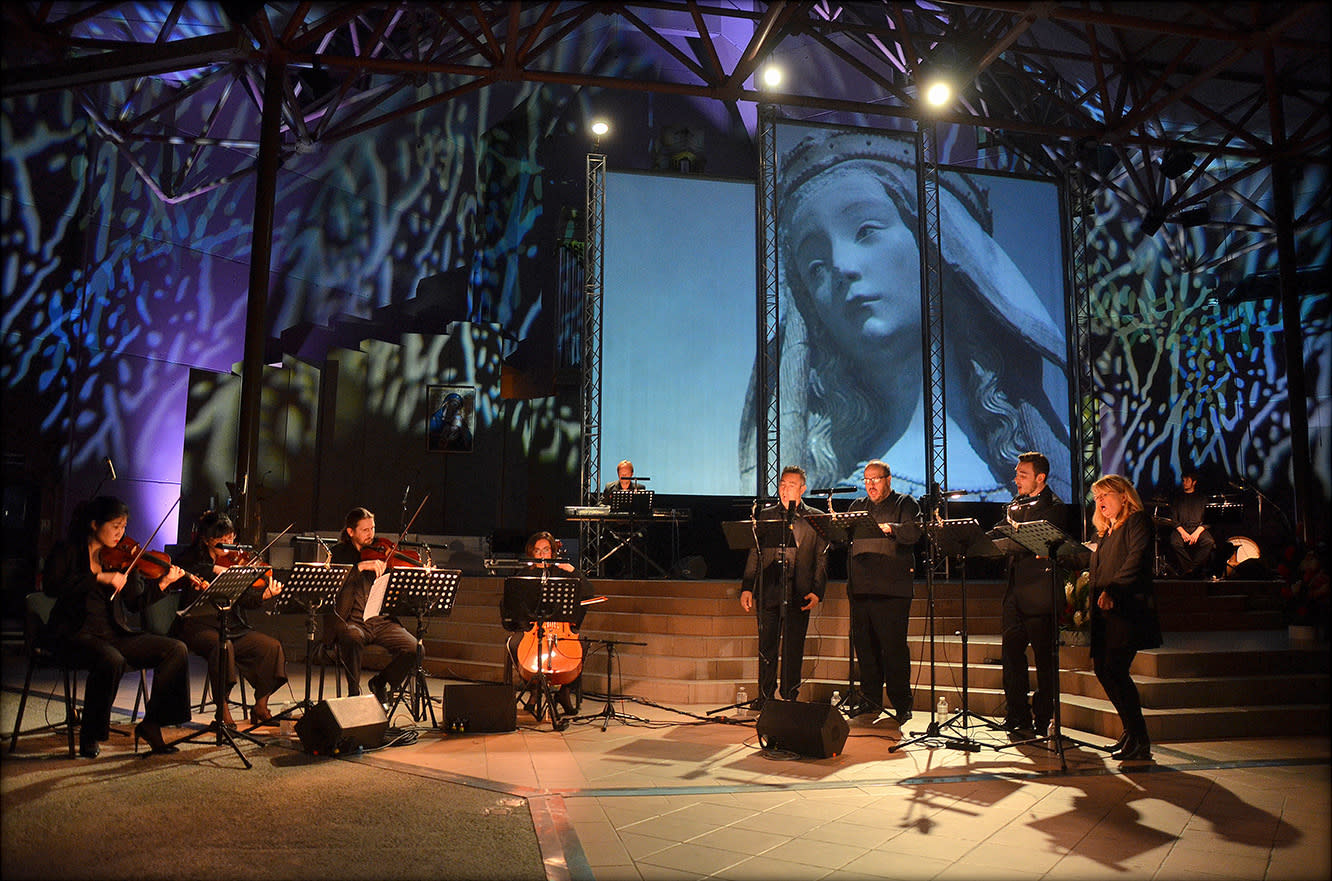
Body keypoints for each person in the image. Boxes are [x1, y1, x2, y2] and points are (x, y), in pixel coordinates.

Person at [739, 128, 1071, 500]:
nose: (841, 266)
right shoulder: (841, 494)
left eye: (865, 231)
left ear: (938, 248)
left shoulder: (1048, 477)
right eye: (816, 267)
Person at [41, 496, 191, 757]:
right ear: (94, 524)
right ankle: (90, 734)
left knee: (176, 649)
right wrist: (99, 577)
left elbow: (134, 603)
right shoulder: (68, 551)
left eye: (123, 527)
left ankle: (153, 724)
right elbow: (52, 587)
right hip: (73, 634)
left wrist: (163, 584)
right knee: (111, 659)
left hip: (113, 633)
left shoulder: (123, 558)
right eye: (115, 526)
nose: (120, 533)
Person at [170, 510, 288, 727]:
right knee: (223, 647)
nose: (228, 544)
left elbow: (244, 600)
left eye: (231, 538)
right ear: (206, 540)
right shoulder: (192, 558)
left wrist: (264, 595)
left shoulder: (234, 564)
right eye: (222, 539)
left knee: (271, 647)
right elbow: (184, 567)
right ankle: (222, 710)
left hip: (230, 626)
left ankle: (261, 706)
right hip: (197, 626)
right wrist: (215, 569)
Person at [1088, 474, 1163, 762]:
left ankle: (1140, 738)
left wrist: (1113, 590)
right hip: (1105, 613)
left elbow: (1135, 560)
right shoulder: (1105, 531)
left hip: (1126, 610)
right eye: (1096, 497)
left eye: (1105, 495)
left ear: (1123, 495)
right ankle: (1131, 732)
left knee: (1115, 670)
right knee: (1103, 670)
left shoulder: (1137, 521)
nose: (1100, 501)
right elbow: (1094, 562)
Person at [739, 465, 828, 707]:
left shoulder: (815, 517)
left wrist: (817, 591)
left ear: (802, 489)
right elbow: (755, 554)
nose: (785, 489)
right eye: (782, 484)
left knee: (793, 647)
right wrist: (747, 587)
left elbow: (821, 558)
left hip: (799, 591)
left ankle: (790, 695)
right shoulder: (767, 515)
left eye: (791, 485)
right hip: (769, 588)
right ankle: (765, 695)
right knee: (766, 646)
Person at [842, 460, 922, 721]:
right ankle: (870, 699)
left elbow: (913, 533)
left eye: (875, 479)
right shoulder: (857, 506)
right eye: (866, 480)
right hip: (861, 588)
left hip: (892, 590)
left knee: (893, 649)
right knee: (865, 648)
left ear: (888, 479)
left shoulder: (905, 503)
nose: (870, 485)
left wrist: (891, 528)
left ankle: (901, 704)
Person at [996, 451, 1065, 736]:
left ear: (1040, 478)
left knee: (1044, 661)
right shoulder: (1014, 505)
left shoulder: (1054, 507)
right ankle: (1017, 714)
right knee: (1011, 656)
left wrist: (1010, 536)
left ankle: (1043, 716)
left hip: (1040, 593)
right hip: (1015, 592)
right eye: (1016, 474)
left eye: (1022, 475)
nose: (1016, 480)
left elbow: (1038, 541)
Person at [326, 507, 419, 705]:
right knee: (351, 637)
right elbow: (333, 584)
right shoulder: (339, 553)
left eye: (373, 528)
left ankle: (380, 682)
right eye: (365, 530)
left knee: (414, 648)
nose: (371, 534)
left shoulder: (380, 550)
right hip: (353, 621)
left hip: (380, 620)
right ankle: (353, 694)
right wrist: (359, 567)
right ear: (351, 532)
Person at [508, 531, 593, 717]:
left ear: (553, 552)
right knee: (514, 644)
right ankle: (534, 689)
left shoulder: (561, 572)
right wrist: (525, 624)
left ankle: (564, 692)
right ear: (531, 553)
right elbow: (513, 604)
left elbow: (588, 592)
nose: (542, 555)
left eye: (546, 550)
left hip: (561, 626)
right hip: (532, 627)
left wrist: (572, 570)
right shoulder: (525, 574)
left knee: (582, 645)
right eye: (537, 551)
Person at [1167, 470, 1216, 577]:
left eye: (1187, 480)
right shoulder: (1177, 498)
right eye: (1183, 480)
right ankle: (1191, 569)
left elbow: (1208, 519)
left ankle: (1192, 569)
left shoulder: (1202, 498)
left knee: (1209, 542)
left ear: (1194, 482)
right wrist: (1183, 532)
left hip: (1197, 528)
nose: (1184, 483)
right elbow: (1173, 519)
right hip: (1182, 528)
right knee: (1175, 543)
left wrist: (1197, 533)